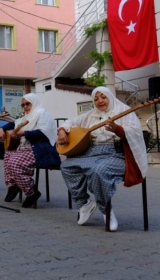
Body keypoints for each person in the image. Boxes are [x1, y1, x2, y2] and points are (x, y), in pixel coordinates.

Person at [57, 87, 147, 231]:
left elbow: (135, 132)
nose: (100, 101)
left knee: (98, 170)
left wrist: (117, 129)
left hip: (116, 154)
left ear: (110, 97)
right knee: (67, 166)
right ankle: (83, 203)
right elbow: (69, 123)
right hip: (91, 153)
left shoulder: (124, 111)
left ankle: (106, 209)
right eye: (96, 98)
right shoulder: (90, 115)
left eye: (103, 97)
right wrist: (62, 131)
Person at [0, 94, 60, 208]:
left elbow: (42, 132)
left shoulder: (43, 114)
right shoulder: (26, 116)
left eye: (28, 104)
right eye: (23, 105)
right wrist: (2, 128)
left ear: (34, 102)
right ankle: (13, 185)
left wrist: (24, 133)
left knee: (14, 163)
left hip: (39, 149)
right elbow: (14, 123)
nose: (25, 107)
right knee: (7, 156)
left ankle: (32, 192)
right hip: (24, 148)